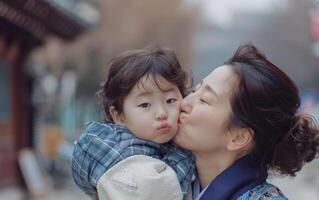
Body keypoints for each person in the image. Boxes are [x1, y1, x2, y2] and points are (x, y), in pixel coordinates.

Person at [97, 44, 319, 200]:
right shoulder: (159, 182)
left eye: (203, 99)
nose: (184, 103)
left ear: (238, 136)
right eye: (193, 90)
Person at [71, 46, 195, 200]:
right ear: (119, 116)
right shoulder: (121, 150)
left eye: (170, 100)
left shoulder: (162, 146)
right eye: (145, 105)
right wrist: (188, 152)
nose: (162, 113)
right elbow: (162, 191)